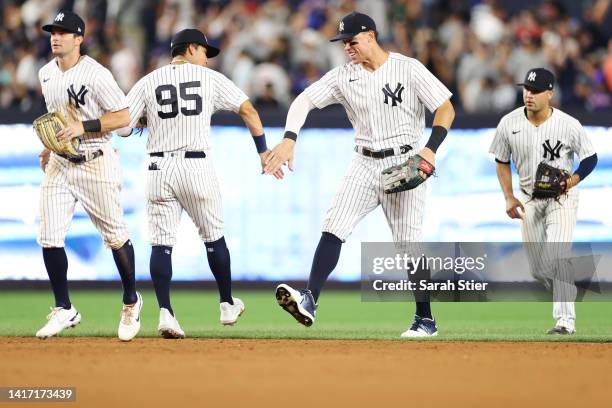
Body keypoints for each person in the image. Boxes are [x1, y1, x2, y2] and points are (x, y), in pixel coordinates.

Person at [264, 12, 455, 337]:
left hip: (405, 162)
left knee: (409, 245)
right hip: (364, 162)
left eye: (352, 41)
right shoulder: (343, 76)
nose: (347, 48)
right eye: (343, 43)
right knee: (333, 225)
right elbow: (304, 100)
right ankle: (310, 300)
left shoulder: (407, 68)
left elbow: (445, 107)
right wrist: (288, 138)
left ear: (370, 36)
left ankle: (426, 319)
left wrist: (431, 148)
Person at [118, 29, 282, 338]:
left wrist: (147, 120)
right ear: (191, 49)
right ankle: (227, 303)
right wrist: (263, 151)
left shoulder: (149, 80)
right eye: (204, 51)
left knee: (161, 244)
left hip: (158, 166)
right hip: (196, 165)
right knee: (214, 238)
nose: (206, 58)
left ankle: (165, 312)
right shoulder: (210, 79)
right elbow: (248, 109)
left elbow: (124, 128)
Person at [35, 10, 142, 341]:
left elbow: (124, 117)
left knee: (115, 236)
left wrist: (84, 126)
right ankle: (64, 308)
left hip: (97, 159)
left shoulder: (95, 74)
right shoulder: (45, 73)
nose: (56, 36)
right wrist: (50, 147)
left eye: (64, 32)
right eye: (53, 31)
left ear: (79, 38)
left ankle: (130, 301)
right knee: (49, 235)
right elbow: (57, 116)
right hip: (62, 163)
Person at [489, 68, 598, 334]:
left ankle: (565, 321)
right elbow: (501, 162)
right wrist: (508, 196)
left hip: (562, 198)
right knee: (539, 269)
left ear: (550, 93)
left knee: (558, 256)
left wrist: (573, 179)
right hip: (529, 198)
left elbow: (590, 158)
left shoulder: (568, 124)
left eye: (536, 91)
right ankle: (570, 282)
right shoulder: (509, 123)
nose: (529, 94)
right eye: (526, 88)